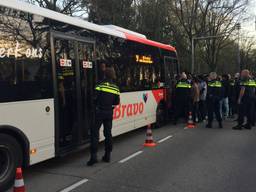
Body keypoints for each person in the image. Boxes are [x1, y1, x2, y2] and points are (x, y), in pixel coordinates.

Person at [87, 67, 120, 166]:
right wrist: (110, 108)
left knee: (95, 133)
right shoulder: (116, 88)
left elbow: (94, 98)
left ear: (105, 75)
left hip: (99, 113)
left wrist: (95, 106)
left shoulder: (99, 85)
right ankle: (107, 155)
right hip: (109, 113)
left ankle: (93, 157)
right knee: (108, 133)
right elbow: (116, 102)